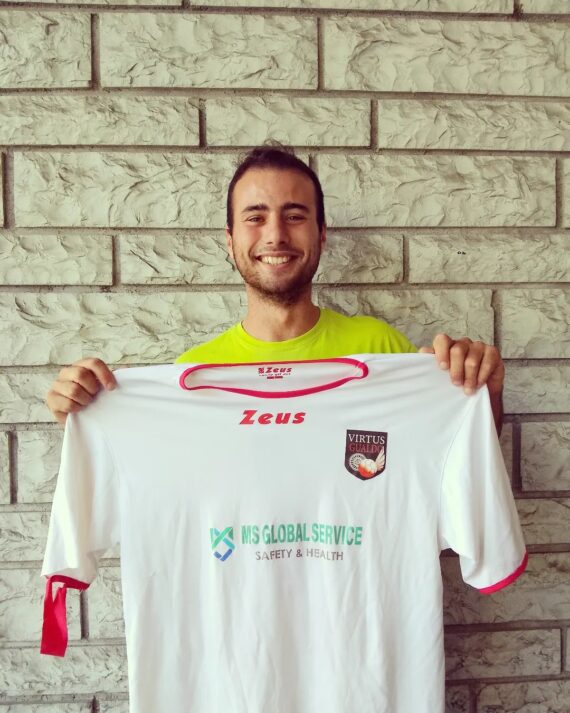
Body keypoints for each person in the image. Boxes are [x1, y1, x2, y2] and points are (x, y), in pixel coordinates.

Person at [45, 144, 505, 435]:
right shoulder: (191, 377)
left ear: (322, 234)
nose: (276, 235)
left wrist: (480, 390)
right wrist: (92, 420)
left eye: (295, 215)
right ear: (229, 241)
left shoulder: (382, 349)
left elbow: (453, 456)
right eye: (255, 217)